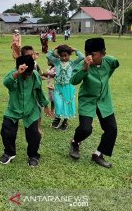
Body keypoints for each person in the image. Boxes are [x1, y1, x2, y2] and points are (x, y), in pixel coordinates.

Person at [69, 38, 119, 168]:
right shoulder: (84, 64)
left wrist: (106, 77)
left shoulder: (109, 61)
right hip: (88, 100)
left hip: (104, 100)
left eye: (93, 54)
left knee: (112, 129)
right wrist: (85, 68)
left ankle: (98, 154)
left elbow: (115, 64)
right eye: (87, 54)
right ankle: (75, 142)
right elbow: (73, 81)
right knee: (86, 129)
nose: (88, 57)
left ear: (103, 53)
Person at [0, 55, 53, 167]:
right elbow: (6, 83)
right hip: (14, 108)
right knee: (6, 129)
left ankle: (33, 155)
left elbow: (39, 91)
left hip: (30, 109)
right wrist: (17, 73)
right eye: (25, 73)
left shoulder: (35, 75)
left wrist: (46, 105)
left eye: (29, 73)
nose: (27, 76)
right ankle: (9, 153)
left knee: (34, 134)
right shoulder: (13, 74)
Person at [47, 45, 84, 130]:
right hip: (58, 87)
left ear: (69, 55)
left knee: (67, 104)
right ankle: (57, 118)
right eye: (61, 56)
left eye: (65, 55)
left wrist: (75, 49)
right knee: (58, 103)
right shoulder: (56, 62)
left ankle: (65, 121)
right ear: (59, 55)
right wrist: (55, 48)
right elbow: (48, 55)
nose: (63, 58)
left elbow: (82, 57)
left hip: (68, 87)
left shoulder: (73, 63)